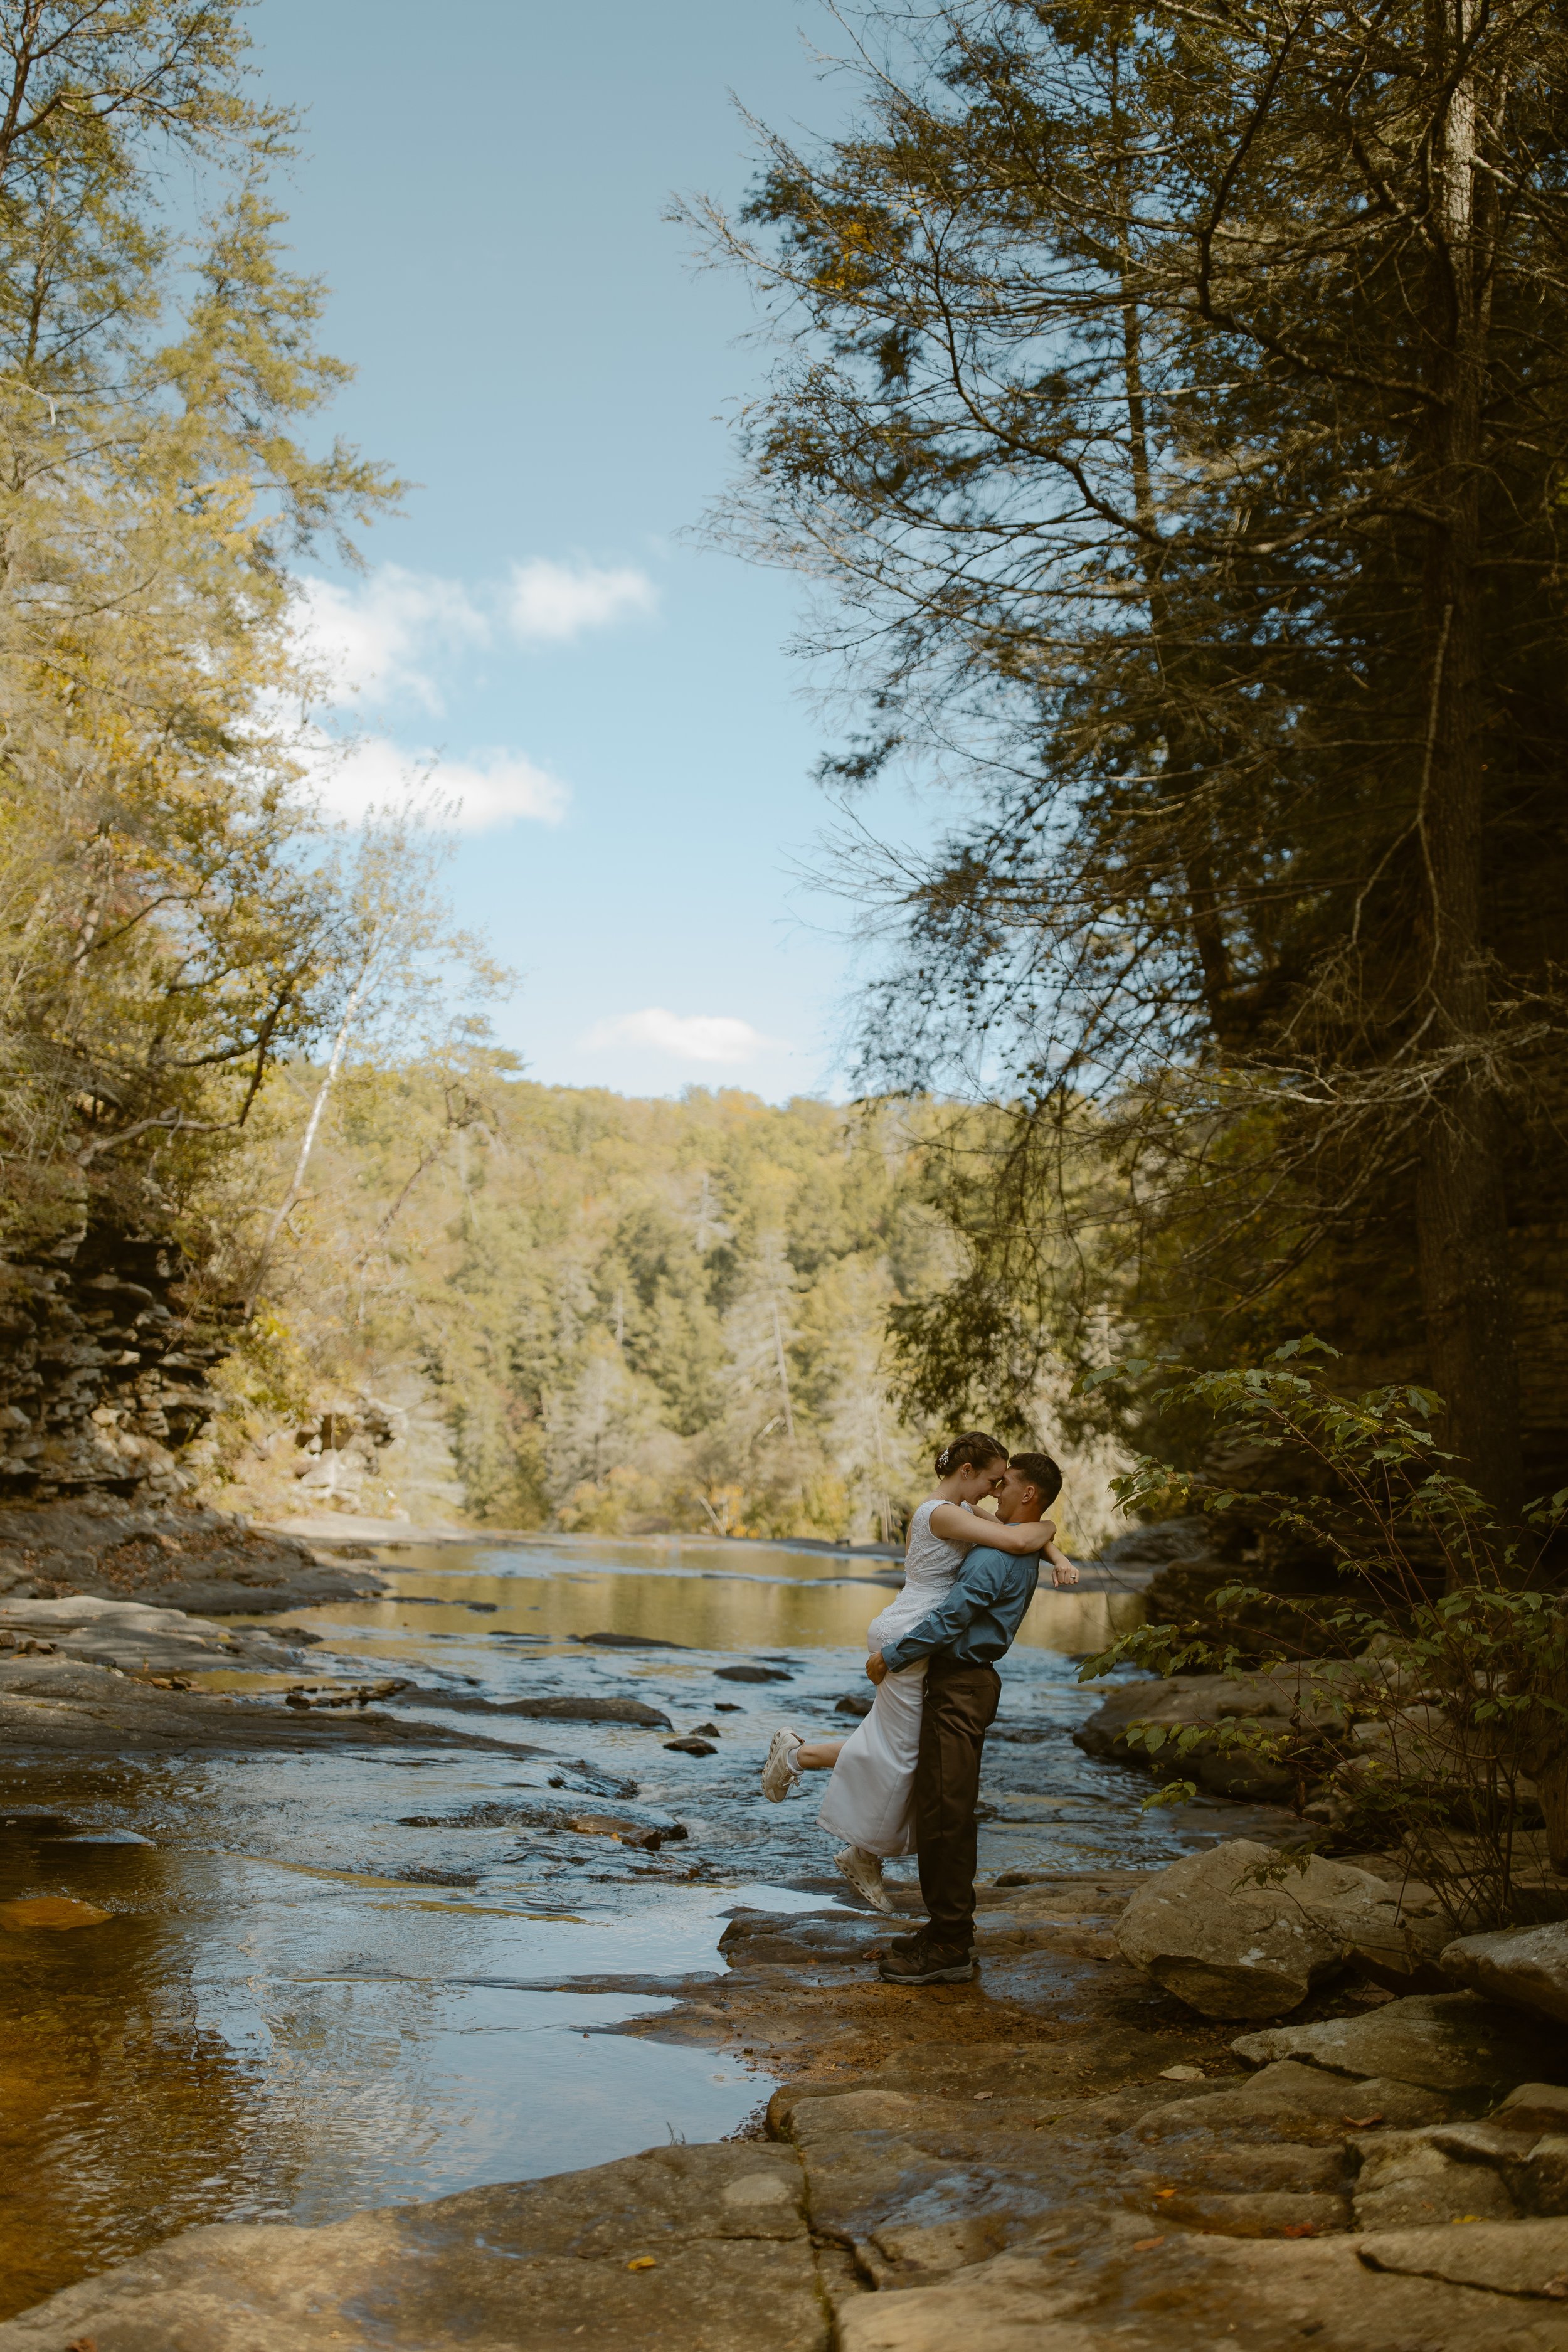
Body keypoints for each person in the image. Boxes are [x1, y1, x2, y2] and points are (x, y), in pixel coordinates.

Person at [758, 1434, 1076, 1915]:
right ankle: (824, 1797)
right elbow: (1019, 1537)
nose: (995, 1490)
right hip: (912, 1634)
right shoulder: (943, 1513)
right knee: (903, 1754)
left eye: (1003, 1483)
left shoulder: (965, 1512)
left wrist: (1056, 1550)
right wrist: (1050, 1529)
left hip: (917, 1633)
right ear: (967, 1471)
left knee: (901, 1749)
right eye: (993, 1479)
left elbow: (1023, 1532)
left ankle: (824, 1795)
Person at [872, 1449, 1073, 1984]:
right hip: (966, 1684)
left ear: (1028, 1493)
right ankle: (944, 1929)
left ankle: (950, 1945)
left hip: (960, 1686)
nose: (995, 1491)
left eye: (1006, 1484)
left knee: (946, 1816)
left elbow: (952, 1618)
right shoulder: (1012, 1542)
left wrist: (891, 1656)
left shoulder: (996, 1556)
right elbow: (1029, 1534)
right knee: (942, 1808)